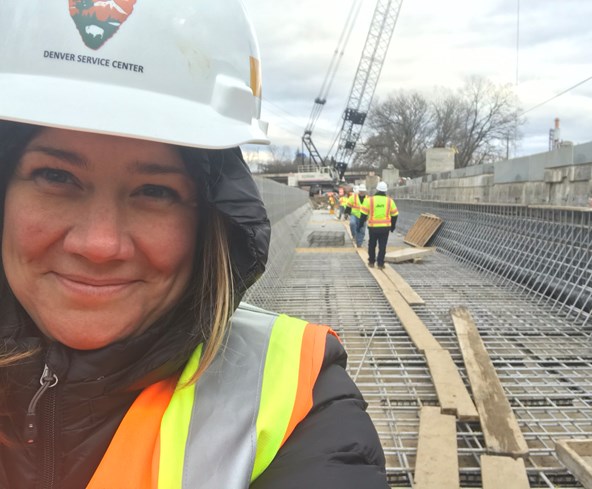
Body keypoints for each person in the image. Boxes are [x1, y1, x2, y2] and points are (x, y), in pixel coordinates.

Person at [0, 2, 389, 488]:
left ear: (211, 220)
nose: (100, 245)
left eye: (156, 191)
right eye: (55, 176)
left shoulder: (294, 396)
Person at [360, 181, 399, 269]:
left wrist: (360, 225)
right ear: (385, 191)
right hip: (385, 228)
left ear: (377, 189)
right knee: (382, 246)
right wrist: (393, 226)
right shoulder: (390, 201)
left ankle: (371, 262)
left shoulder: (369, 200)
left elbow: (363, 215)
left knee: (372, 244)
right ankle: (380, 263)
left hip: (373, 228)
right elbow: (395, 215)